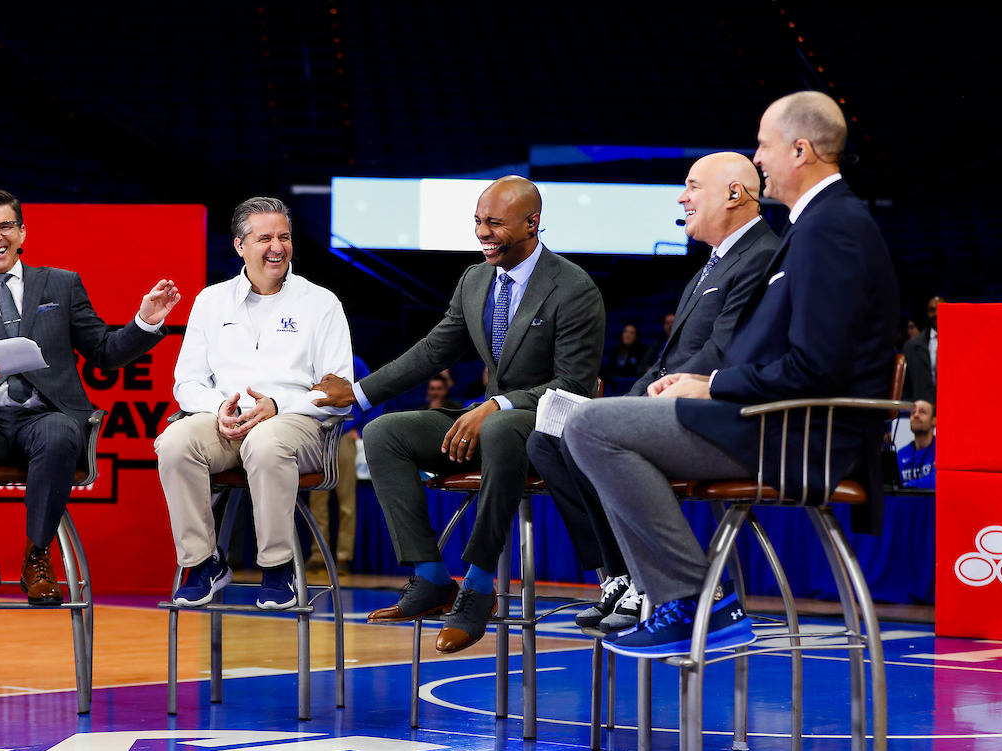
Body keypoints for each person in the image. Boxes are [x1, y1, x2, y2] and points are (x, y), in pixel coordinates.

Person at [563, 91, 899, 658]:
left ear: (801, 149)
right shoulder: (817, 223)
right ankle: (666, 596)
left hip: (798, 435)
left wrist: (712, 385)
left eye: (765, 146)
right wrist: (702, 385)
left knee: (593, 426)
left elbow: (816, 368)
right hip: (778, 421)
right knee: (588, 424)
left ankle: (693, 598)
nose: (760, 159)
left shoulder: (830, 227)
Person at [313, 175, 605, 653]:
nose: (482, 233)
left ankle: (478, 585)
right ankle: (430, 577)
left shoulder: (574, 288)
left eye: (494, 223)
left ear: (533, 223)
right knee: (386, 432)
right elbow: (432, 352)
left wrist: (495, 405)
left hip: (545, 431)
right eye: (477, 221)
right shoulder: (474, 280)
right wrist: (358, 394)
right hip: (492, 423)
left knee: (501, 426)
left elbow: (572, 386)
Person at [528, 151, 779, 634]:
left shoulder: (761, 256)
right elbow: (665, 361)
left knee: (590, 433)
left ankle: (656, 583)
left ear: (733, 194)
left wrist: (630, 410)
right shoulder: (712, 264)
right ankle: (620, 574)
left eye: (692, 186)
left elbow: (721, 355)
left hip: (714, 417)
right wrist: (619, 404)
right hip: (674, 402)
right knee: (547, 439)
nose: (681, 197)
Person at [0, 189, 179, 605]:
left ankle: (37, 558)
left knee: (60, 434)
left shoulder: (61, 283)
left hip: (44, 417)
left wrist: (144, 323)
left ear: (22, 231)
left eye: (5, 225)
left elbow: (103, 353)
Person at [155, 196, 354, 609]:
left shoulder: (322, 302)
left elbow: (339, 390)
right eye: (264, 237)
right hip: (225, 420)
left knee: (266, 443)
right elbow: (186, 382)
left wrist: (278, 404)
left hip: (299, 422)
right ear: (239, 246)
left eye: (284, 236)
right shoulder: (211, 301)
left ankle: (278, 565)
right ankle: (203, 561)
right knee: (173, 442)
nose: (277, 246)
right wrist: (219, 408)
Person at [306, 354, 374, 576]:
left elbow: (372, 394)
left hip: (343, 435)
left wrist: (361, 429)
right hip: (319, 434)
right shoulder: (312, 359)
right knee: (317, 500)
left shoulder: (355, 362)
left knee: (346, 500)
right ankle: (318, 556)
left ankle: (343, 557)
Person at [902, 295, 943, 404]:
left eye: (941, 309)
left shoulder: (962, 344)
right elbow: (905, 385)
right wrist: (911, 409)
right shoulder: (910, 347)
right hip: (921, 412)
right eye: (932, 310)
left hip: (953, 411)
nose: (936, 314)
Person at [898, 399, 936, 489]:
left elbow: (938, 480)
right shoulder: (901, 454)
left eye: (922, 412)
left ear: (934, 421)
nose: (916, 415)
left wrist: (908, 487)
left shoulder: (942, 450)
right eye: (912, 413)